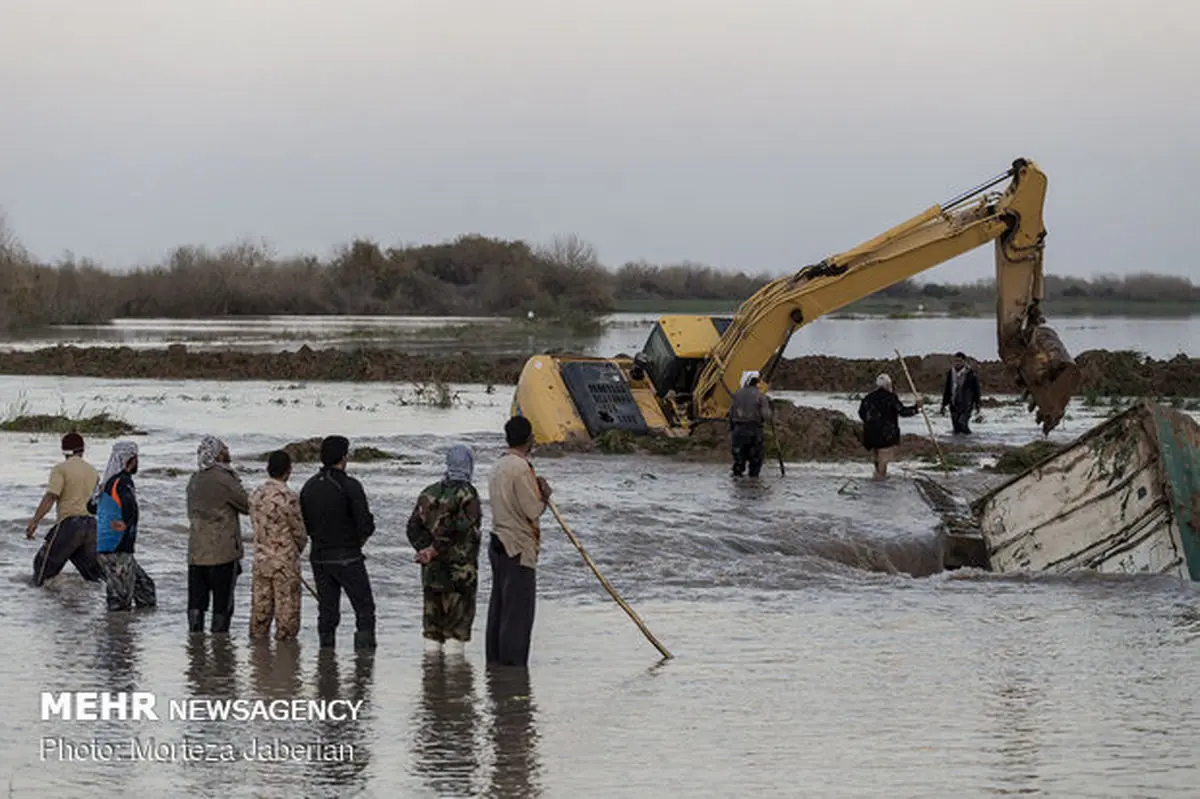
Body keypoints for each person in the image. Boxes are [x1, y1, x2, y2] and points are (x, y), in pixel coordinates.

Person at [300, 436, 377, 651]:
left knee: (327, 610)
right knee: (364, 608)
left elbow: (305, 524)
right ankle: (364, 661)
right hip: (348, 556)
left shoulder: (309, 486)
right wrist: (359, 541)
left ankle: (326, 656)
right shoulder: (350, 485)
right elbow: (365, 525)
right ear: (343, 457)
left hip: (319, 557)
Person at [486, 416, 551, 668]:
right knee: (518, 614)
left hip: (498, 541)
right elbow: (532, 510)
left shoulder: (497, 465)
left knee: (499, 607)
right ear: (529, 440)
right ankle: (513, 669)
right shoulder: (521, 468)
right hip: (518, 546)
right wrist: (545, 496)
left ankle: (495, 663)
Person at [406, 444, 483, 656]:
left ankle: (432, 678)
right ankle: (454, 684)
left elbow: (412, 527)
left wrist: (424, 549)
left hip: (431, 572)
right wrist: (435, 549)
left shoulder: (428, 492)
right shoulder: (468, 494)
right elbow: (459, 529)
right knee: (456, 631)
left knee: (432, 629)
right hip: (460, 573)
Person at [185, 435, 250, 634]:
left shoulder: (194, 479)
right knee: (222, 604)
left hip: (197, 551)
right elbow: (246, 505)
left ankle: (196, 644)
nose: (228, 450)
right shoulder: (225, 478)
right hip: (222, 551)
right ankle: (220, 644)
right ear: (218, 454)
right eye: (224, 448)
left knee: (197, 602)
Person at [25, 432, 104, 585]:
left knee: (42, 570)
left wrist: (34, 521)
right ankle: (96, 605)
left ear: (64, 451)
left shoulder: (60, 469)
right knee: (94, 576)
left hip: (70, 525)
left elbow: (51, 497)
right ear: (82, 450)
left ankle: (36, 603)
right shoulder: (93, 471)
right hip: (91, 525)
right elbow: (96, 502)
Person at [249, 450, 308, 641]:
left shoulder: (255, 494)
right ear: (288, 471)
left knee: (260, 611)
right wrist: (297, 548)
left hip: (261, 559)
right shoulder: (288, 496)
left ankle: (259, 657)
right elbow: (298, 531)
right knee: (287, 614)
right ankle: (285, 658)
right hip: (284, 561)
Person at [92, 441, 156, 611]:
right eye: (136, 458)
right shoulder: (123, 482)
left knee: (145, 587)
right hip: (118, 548)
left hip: (106, 547)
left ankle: (132, 629)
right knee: (120, 601)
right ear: (131, 459)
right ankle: (118, 634)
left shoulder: (107, 484)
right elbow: (130, 507)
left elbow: (90, 507)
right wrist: (126, 524)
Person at [857, 374, 922, 480]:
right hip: (886, 433)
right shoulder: (891, 397)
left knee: (876, 456)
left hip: (870, 432)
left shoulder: (868, 398)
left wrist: (870, 423)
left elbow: (861, 413)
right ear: (888, 385)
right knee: (883, 457)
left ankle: (878, 475)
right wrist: (916, 407)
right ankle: (880, 479)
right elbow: (903, 411)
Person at [728, 372, 773, 477]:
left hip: (738, 430)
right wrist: (770, 412)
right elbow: (766, 415)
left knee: (738, 458)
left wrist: (731, 428)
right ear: (756, 383)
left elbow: (731, 413)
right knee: (755, 459)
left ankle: (737, 480)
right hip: (754, 430)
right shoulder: (760, 396)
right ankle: (753, 482)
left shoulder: (737, 394)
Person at [941, 352, 983, 435]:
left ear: (964, 361)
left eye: (959, 361)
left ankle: (969, 440)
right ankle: (958, 444)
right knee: (956, 427)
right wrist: (943, 405)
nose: (957, 363)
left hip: (966, 404)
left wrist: (978, 405)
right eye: (956, 361)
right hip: (953, 403)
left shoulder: (971, 374)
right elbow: (947, 389)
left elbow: (976, 390)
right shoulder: (950, 373)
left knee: (962, 424)